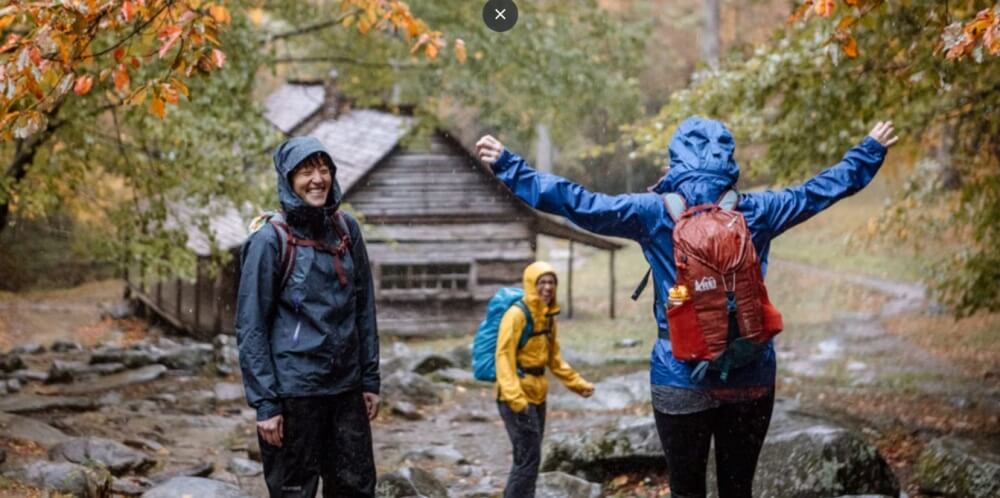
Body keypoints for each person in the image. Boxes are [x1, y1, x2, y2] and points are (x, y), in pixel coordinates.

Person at [476, 117, 898, 498]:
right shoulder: (759, 210)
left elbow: (579, 202)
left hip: (677, 374)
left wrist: (511, 166)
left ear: (676, 160)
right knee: (738, 489)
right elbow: (819, 191)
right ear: (728, 162)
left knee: (686, 489)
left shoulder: (651, 213)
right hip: (751, 373)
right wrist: (869, 149)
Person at [236, 136, 380, 498]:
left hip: (345, 390)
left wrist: (369, 379)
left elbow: (364, 309)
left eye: (323, 169)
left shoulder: (347, 231)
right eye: (305, 171)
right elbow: (251, 326)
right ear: (288, 178)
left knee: (356, 489)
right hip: (294, 394)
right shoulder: (270, 241)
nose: (317, 179)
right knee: (294, 492)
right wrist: (266, 403)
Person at [496, 261, 595, 498]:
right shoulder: (516, 315)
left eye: (551, 282)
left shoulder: (548, 317)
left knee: (528, 456)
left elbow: (554, 359)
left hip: (537, 394)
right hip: (516, 396)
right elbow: (503, 356)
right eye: (542, 282)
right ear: (531, 285)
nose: (547, 288)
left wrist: (577, 384)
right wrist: (514, 396)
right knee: (529, 458)